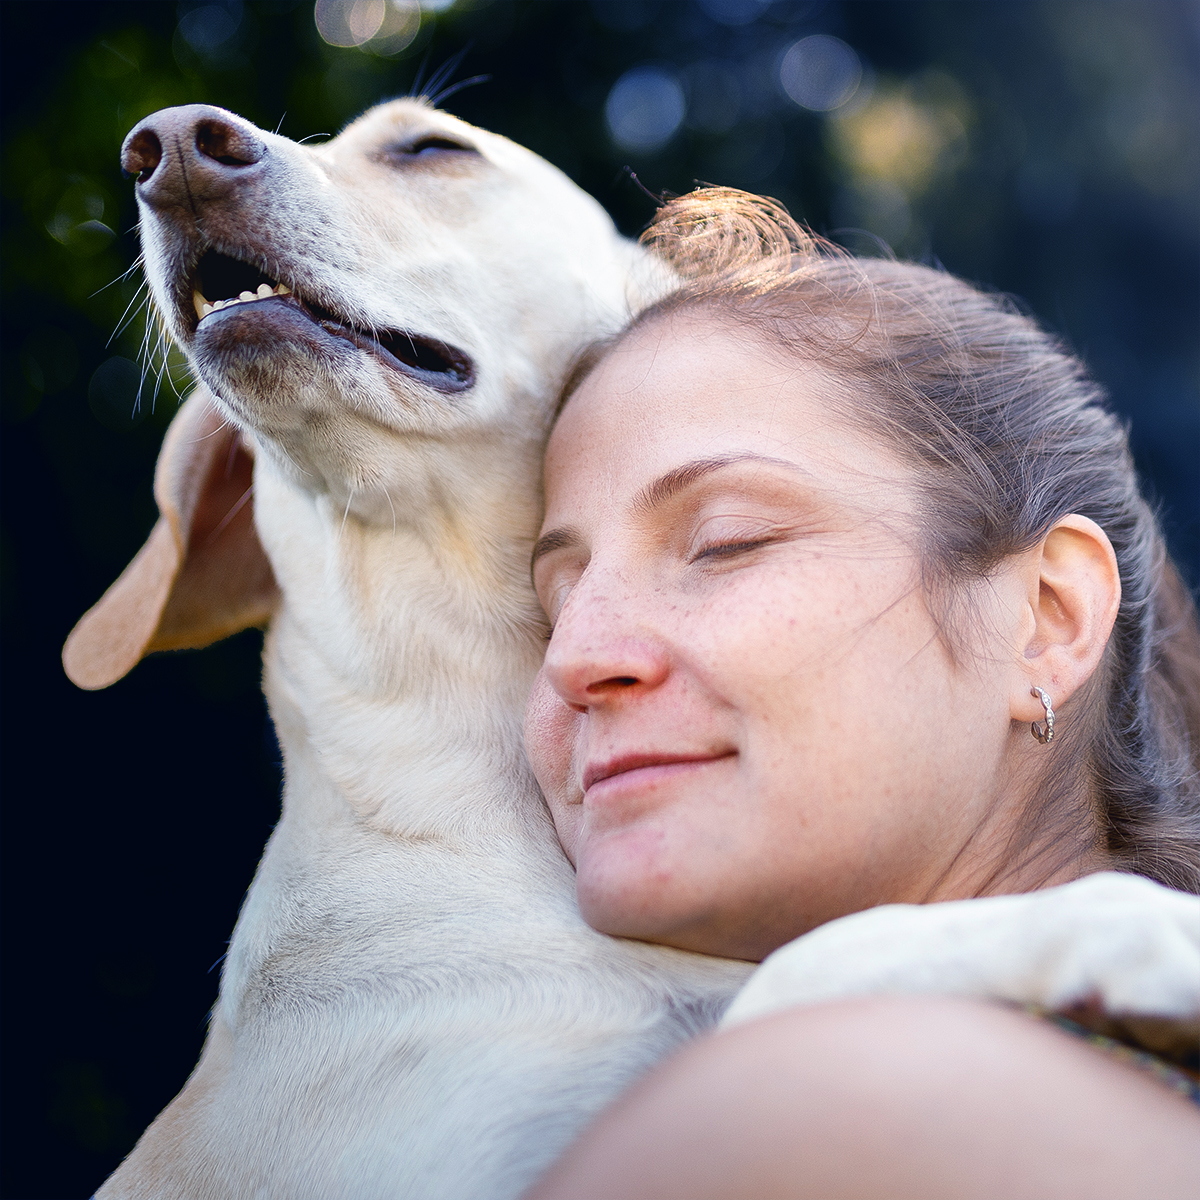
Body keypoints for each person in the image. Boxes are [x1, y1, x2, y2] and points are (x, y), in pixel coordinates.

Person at [520, 189, 1200, 1199]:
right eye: (550, 606)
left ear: (1046, 619)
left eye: (726, 543)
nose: (576, 658)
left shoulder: (803, 1118)